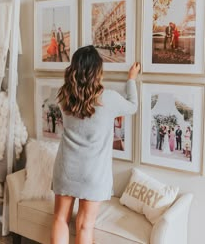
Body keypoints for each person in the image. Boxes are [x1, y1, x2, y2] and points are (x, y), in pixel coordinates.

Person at [51, 46, 140, 244]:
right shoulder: (108, 98)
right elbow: (133, 106)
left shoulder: (64, 96)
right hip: (93, 174)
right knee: (84, 226)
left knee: (59, 219)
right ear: (97, 71)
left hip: (65, 168)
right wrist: (131, 79)